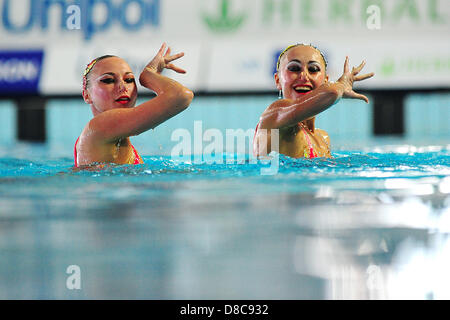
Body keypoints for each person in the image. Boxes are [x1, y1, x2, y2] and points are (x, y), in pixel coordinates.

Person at [74, 43, 193, 167]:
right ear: (86, 95)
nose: (122, 87)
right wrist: (148, 75)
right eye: (108, 80)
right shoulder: (99, 127)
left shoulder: (112, 137)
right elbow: (181, 96)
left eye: (129, 79)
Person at [253, 44, 374, 159]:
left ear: (325, 81)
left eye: (313, 69)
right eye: (294, 68)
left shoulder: (323, 138)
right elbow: (333, 92)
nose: (304, 76)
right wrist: (342, 85)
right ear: (278, 80)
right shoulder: (274, 116)